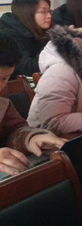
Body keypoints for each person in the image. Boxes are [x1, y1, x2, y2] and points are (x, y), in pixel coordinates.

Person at [0, 33, 65, 179]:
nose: (0, 86)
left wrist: (31, 138)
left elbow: (14, 130)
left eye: (4, 78)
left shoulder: (2, 102)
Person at [0, 0, 52, 76]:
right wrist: (54, 47)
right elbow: (27, 68)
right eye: (43, 12)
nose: (49, 16)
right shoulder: (9, 33)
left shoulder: (44, 27)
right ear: (27, 13)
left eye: (49, 11)